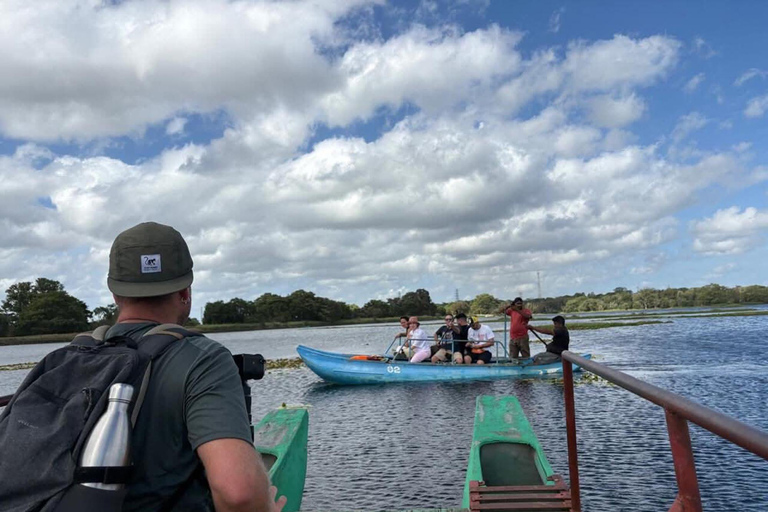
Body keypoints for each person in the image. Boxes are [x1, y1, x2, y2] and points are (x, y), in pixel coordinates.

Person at [104, 222, 284, 512]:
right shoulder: (203, 359)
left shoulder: (61, 361)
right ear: (185, 293)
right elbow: (238, 494)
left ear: (115, 294)